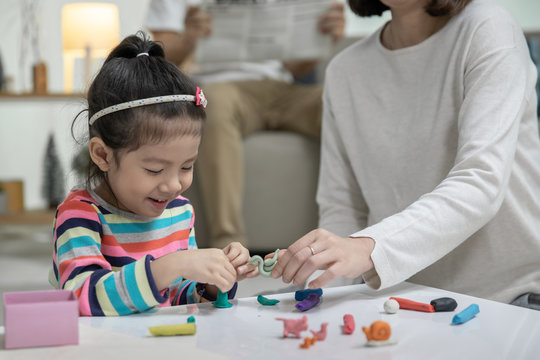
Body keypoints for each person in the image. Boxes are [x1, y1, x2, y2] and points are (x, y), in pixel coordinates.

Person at [271, 0, 540, 309]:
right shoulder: (346, 70)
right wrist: (314, 289)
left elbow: (481, 181)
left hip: (508, 300)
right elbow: (344, 208)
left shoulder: (488, 27)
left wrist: (369, 249)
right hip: (401, 304)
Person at [50, 33, 257, 316]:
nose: (174, 185)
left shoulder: (180, 212)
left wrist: (210, 282)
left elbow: (176, 299)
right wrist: (171, 265)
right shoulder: (80, 215)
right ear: (102, 155)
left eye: (187, 166)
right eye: (155, 169)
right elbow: (82, 300)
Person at [146, 0, 346, 249]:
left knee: (343, 101)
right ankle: (228, 244)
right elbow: (159, 57)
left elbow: (296, 66)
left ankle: (360, 232)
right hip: (219, 88)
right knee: (214, 103)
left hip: (280, 86)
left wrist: (320, 38)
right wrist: (189, 38)